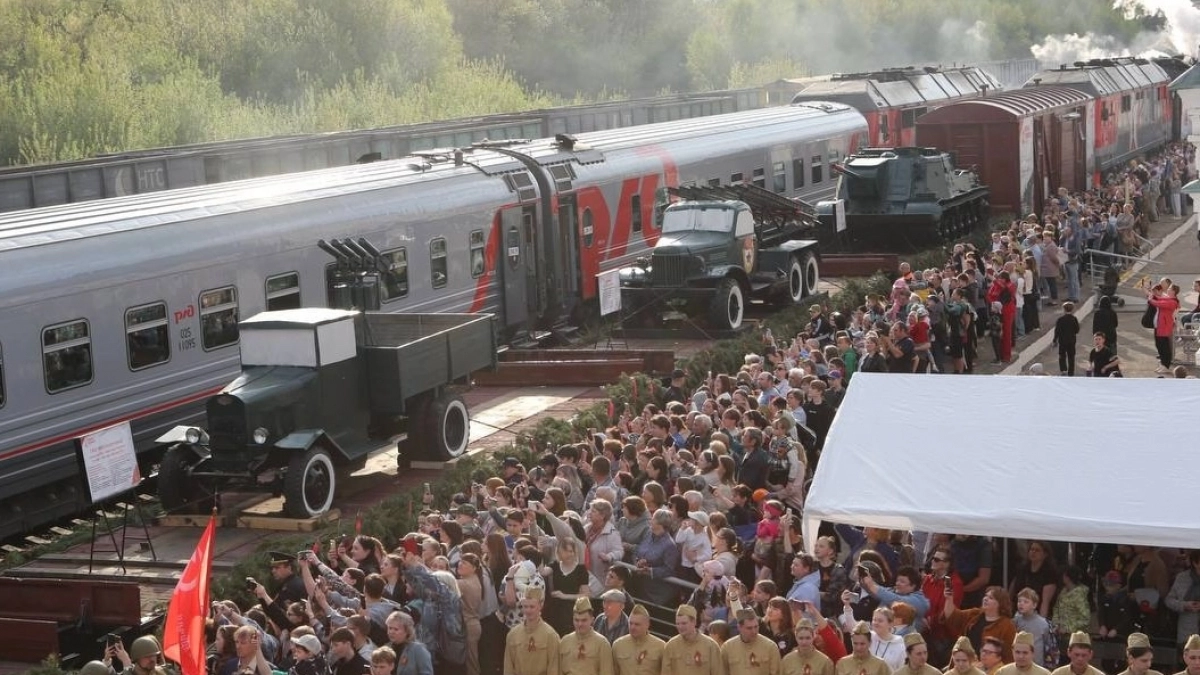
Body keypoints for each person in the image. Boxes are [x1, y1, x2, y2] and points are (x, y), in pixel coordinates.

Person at [944, 586, 1017, 662]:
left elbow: (1009, 655)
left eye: (991, 598)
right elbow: (952, 617)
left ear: (1000, 604)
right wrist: (949, 598)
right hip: (964, 663)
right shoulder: (975, 614)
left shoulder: (1007, 626)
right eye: (986, 596)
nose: (985, 599)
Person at [503, 587, 560, 675]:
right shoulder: (513, 635)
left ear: (541, 606)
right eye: (525, 606)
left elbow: (553, 668)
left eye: (532, 607)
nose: (528, 610)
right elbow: (508, 667)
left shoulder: (551, 635)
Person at [558, 597, 613, 675]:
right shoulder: (565, 641)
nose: (580, 624)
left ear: (592, 620)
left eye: (584, 620)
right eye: (576, 620)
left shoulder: (602, 644)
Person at [663, 605, 724, 675]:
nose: (680, 627)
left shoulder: (711, 645)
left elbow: (718, 672)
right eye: (677, 624)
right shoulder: (671, 646)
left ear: (694, 622)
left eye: (684, 623)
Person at [722, 608, 782, 675]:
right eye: (749, 628)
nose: (754, 631)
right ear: (739, 627)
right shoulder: (727, 647)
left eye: (756, 627)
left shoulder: (770, 646)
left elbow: (776, 672)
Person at [612, 604, 666, 675]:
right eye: (630, 623)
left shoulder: (661, 646)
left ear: (647, 624)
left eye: (637, 624)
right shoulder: (618, 645)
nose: (632, 627)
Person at [1165, 552, 1200, 648]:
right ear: (1195, 563)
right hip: (1187, 631)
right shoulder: (1182, 578)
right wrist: (1184, 605)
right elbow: (1169, 600)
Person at [1012, 590, 1051, 668]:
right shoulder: (1015, 621)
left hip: (1037, 664)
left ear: (1034, 605)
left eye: (1026, 602)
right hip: (1019, 663)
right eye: (1019, 601)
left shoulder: (1043, 623)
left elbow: (1048, 644)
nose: (1021, 604)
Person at [1148, 282, 1181, 372]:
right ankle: (1163, 364)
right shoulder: (1169, 299)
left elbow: (1159, 303)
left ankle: (1166, 365)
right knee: (1160, 346)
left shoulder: (1173, 302)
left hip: (1165, 327)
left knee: (1164, 347)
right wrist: (1151, 294)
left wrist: (1151, 299)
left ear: (1174, 291)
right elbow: (1159, 299)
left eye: (1170, 289)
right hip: (1161, 326)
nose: (1168, 290)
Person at [1052, 303, 1080, 376]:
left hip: (1062, 341)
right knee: (1071, 356)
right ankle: (1071, 372)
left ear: (1064, 309)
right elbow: (1077, 330)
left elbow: (1057, 331)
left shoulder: (1060, 319)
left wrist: (1054, 340)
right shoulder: (1074, 319)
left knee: (1062, 356)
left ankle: (1063, 370)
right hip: (1071, 341)